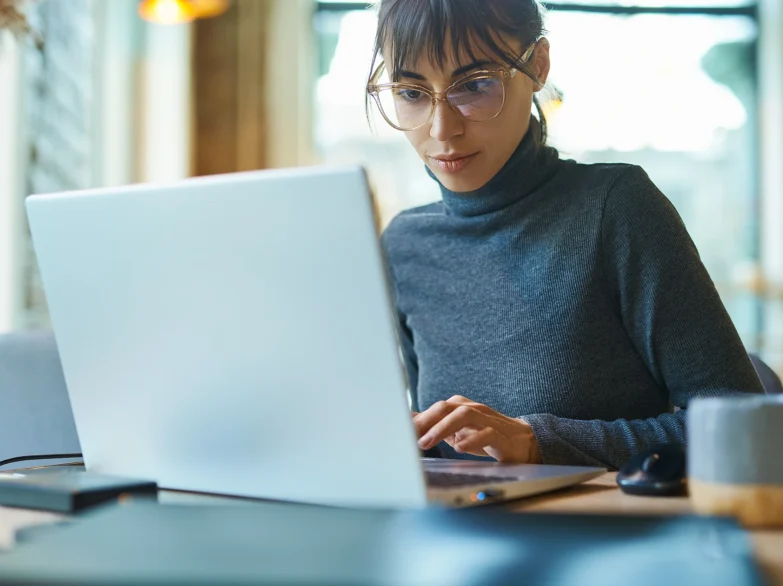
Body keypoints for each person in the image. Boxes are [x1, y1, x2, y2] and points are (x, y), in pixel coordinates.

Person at [367, 0, 764, 469]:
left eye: (474, 86)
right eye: (411, 92)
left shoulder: (616, 207)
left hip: (598, 534)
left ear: (537, 65)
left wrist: (541, 442)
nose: (442, 128)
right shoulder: (404, 245)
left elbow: (750, 429)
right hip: (453, 533)